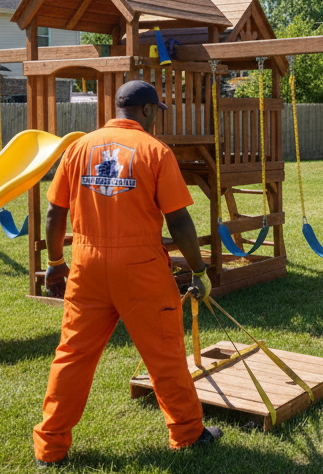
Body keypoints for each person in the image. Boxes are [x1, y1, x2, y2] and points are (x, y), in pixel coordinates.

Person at [33, 80, 222, 466]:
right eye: (157, 113)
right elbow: (179, 220)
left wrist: (55, 264)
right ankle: (187, 433)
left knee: (71, 357)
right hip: (141, 270)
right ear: (149, 111)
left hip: (86, 265)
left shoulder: (79, 148)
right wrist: (200, 270)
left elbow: (54, 212)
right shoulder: (155, 151)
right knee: (165, 354)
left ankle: (50, 447)